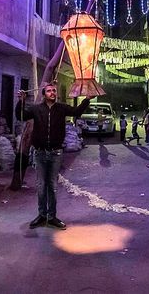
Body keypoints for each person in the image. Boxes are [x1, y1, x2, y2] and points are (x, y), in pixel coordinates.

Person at [15, 83, 93, 230]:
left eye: (54, 91)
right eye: (49, 91)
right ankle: (42, 215)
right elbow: (21, 116)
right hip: (40, 153)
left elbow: (77, 111)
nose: (52, 93)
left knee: (52, 186)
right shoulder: (37, 109)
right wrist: (22, 101)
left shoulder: (61, 108)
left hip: (56, 153)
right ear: (44, 94)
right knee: (41, 186)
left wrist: (87, 99)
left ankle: (52, 217)